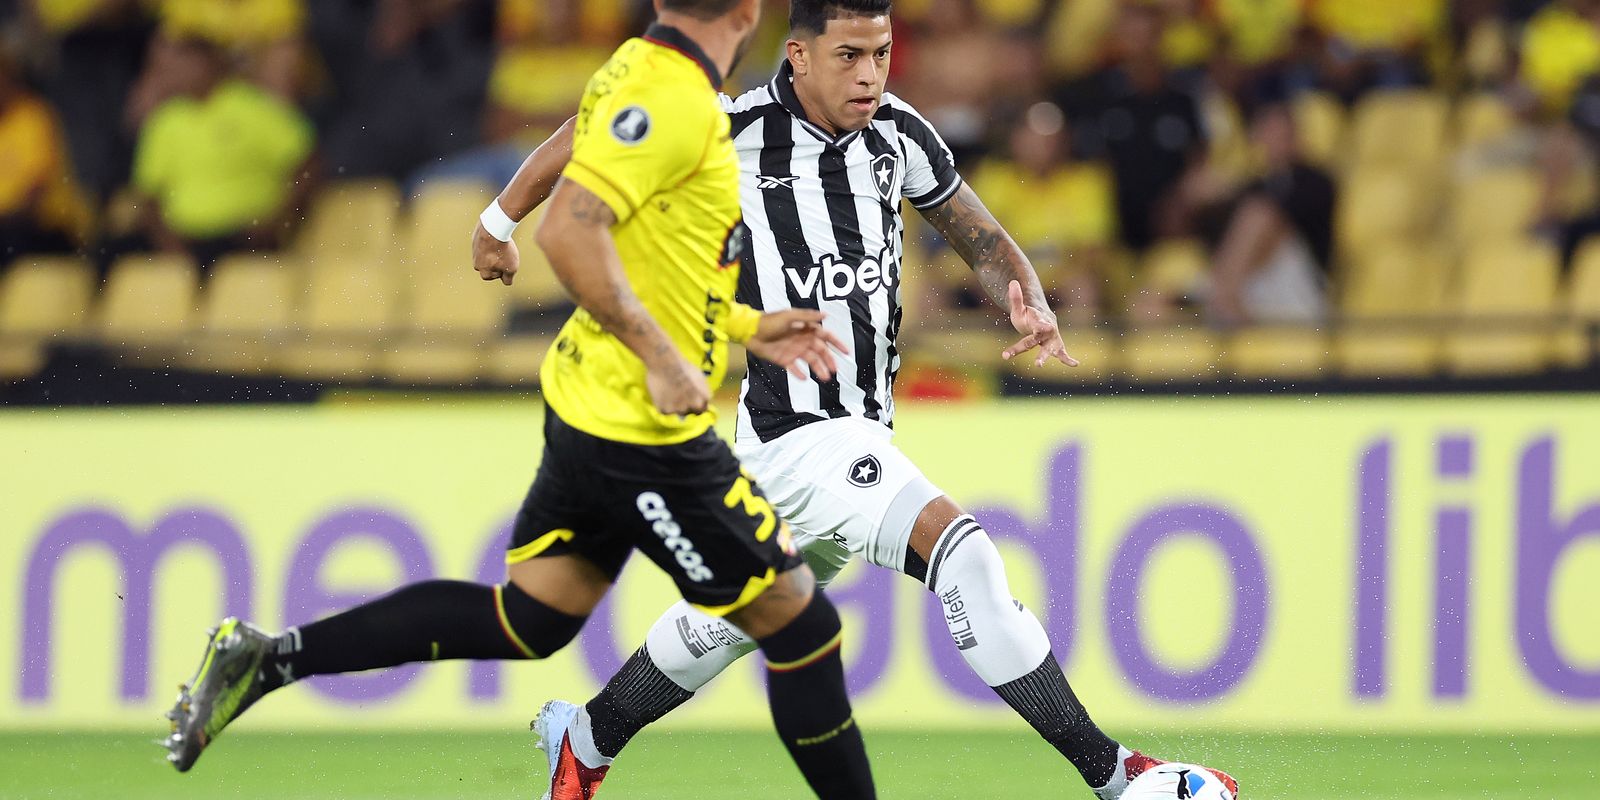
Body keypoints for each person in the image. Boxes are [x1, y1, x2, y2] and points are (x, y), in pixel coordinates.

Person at [470, 2, 1239, 798]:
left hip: (827, 436)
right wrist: (498, 222)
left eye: (880, 53)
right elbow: (593, 130)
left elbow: (978, 232)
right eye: (849, 56)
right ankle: (1122, 779)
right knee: (963, 554)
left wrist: (1027, 297)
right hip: (801, 424)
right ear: (797, 55)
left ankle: (586, 740)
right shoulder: (727, 128)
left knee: (733, 618)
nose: (870, 74)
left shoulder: (898, 132)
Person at [162, 3, 879, 799]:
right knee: (802, 625)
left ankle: (266, 659)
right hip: (638, 428)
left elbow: (661, 254)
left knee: (531, 616)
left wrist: (747, 323)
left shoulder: (639, 70)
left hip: (586, 402)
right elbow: (571, 234)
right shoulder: (674, 98)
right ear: (749, 12)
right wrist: (661, 356)